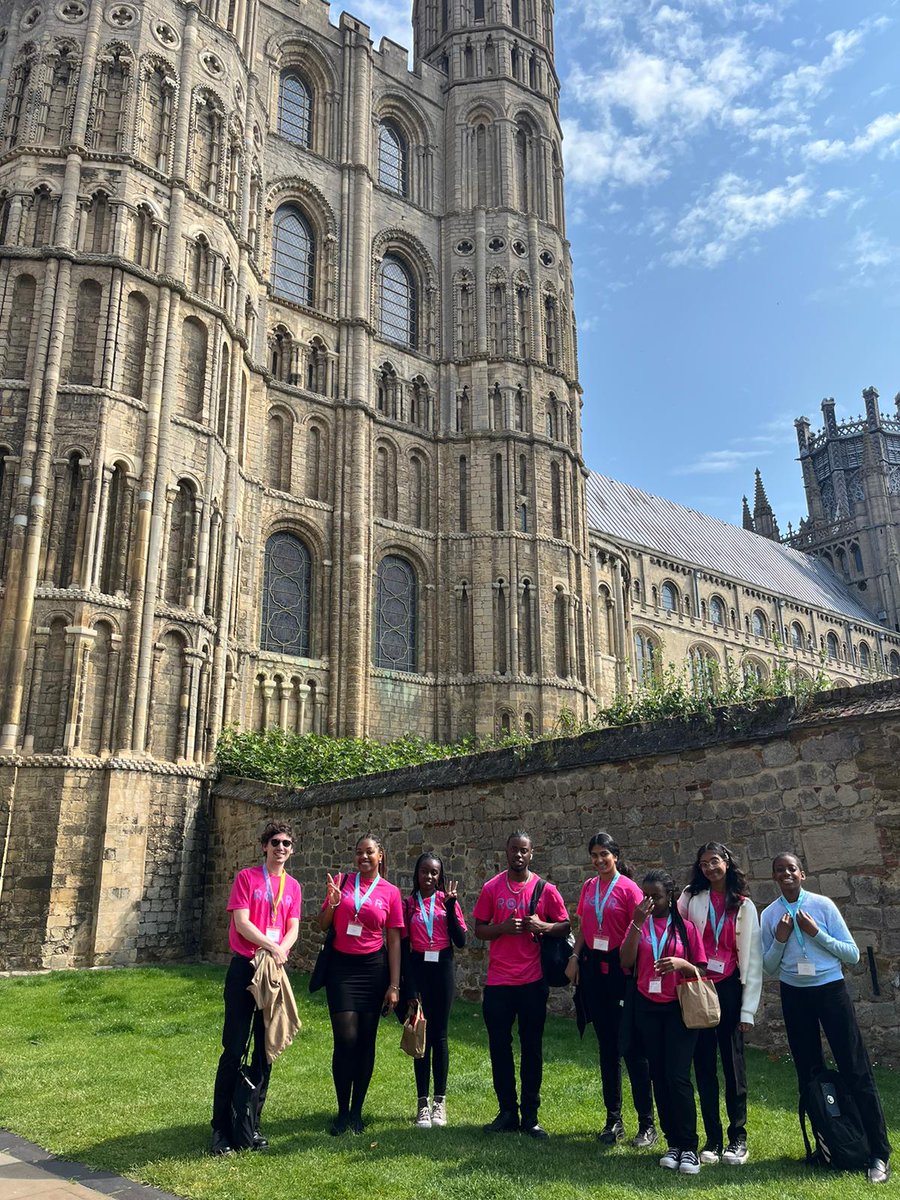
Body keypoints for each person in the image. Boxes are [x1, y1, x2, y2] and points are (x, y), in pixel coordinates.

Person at [761, 852, 891, 1185]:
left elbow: (852, 954)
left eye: (791, 869)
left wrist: (816, 932)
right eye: (779, 870)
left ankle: (878, 1153)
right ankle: (827, 1147)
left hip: (830, 991)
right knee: (808, 1073)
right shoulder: (770, 914)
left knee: (855, 1069)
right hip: (794, 995)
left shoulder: (823, 906)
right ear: (774, 877)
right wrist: (780, 939)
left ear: (802, 874)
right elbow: (769, 967)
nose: (786, 874)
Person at [210, 821, 301, 1156]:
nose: (281, 848)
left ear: (291, 850)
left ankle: (251, 1123)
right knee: (234, 1048)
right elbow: (241, 922)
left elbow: (292, 927)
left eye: (287, 844)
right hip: (246, 967)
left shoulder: (292, 887)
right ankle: (220, 1128)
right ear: (264, 846)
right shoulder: (246, 878)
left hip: (273, 970)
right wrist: (271, 946)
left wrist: (282, 950)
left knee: (265, 1050)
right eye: (275, 842)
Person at [473, 830, 570, 1138]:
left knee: (532, 1048)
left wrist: (543, 926)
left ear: (531, 853)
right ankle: (506, 1112)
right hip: (499, 981)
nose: (518, 855)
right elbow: (479, 929)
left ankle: (530, 1115)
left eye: (523, 850)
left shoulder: (546, 889)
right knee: (499, 1048)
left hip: (532, 981)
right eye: (513, 849)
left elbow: (566, 925)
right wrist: (501, 928)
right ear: (506, 851)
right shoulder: (492, 888)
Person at [565, 832, 656, 1147]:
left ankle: (647, 1124)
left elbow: (643, 933)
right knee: (607, 1048)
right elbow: (583, 927)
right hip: (594, 971)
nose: (599, 860)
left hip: (623, 972)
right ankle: (613, 1119)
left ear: (615, 856)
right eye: (594, 855)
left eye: (604, 854)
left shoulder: (630, 889)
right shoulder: (589, 887)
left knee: (632, 1048)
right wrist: (575, 957)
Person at [678, 842, 762, 1166]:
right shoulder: (692, 897)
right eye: (703, 863)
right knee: (703, 1064)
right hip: (700, 985)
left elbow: (752, 962)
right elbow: (677, 930)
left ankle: (737, 1137)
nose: (710, 868)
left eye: (715, 861)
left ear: (727, 862)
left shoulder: (744, 905)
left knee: (732, 1064)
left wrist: (748, 1011)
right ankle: (712, 1138)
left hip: (728, 987)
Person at [620, 868, 707, 1174]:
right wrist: (637, 923)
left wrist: (682, 964)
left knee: (678, 1076)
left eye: (655, 896)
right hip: (647, 1008)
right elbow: (626, 962)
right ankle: (672, 1142)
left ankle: (689, 1146)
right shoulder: (639, 925)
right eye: (646, 895)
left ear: (669, 896)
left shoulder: (685, 929)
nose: (650, 901)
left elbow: (700, 971)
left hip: (678, 1009)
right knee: (657, 1075)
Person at [319, 833, 404, 1135]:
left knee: (366, 1042)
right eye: (358, 852)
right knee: (345, 1040)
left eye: (369, 852)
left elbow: (394, 941)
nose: (363, 857)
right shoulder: (341, 881)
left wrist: (394, 984)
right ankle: (342, 1112)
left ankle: (357, 1113)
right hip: (341, 969)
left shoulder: (391, 892)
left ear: (381, 855)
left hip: (374, 969)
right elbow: (323, 924)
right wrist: (331, 903)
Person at [403, 852, 468, 1129]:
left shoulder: (447, 901)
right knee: (421, 1035)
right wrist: (410, 987)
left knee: (439, 1035)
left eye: (434, 873)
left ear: (440, 876)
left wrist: (452, 907)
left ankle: (440, 1101)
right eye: (424, 872)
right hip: (419, 969)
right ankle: (422, 1103)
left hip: (442, 968)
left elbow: (461, 940)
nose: (429, 877)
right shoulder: (408, 905)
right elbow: (404, 948)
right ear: (417, 874)